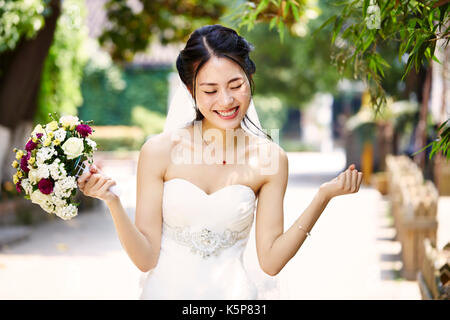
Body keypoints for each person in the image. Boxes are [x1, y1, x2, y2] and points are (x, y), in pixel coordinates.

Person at [77, 24, 363, 300]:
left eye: (235, 85)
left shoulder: (270, 158)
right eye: (210, 91)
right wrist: (113, 201)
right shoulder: (158, 152)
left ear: (250, 77)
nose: (225, 101)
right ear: (191, 91)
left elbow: (271, 262)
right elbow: (145, 259)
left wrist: (323, 197)